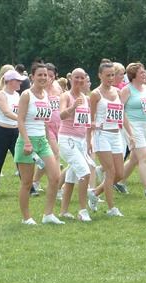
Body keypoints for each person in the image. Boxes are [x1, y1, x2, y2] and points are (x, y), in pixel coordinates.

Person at [15, 63, 64, 225]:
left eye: (46, 75)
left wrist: (49, 140)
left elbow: (44, 122)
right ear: (32, 77)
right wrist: (27, 142)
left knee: (55, 177)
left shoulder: (47, 96)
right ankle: (26, 218)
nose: (44, 78)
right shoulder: (26, 95)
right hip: (26, 141)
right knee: (27, 182)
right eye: (40, 75)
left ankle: (48, 214)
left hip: (43, 141)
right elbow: (20, 120)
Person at [87, 61, 134, 217]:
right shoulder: (95, 94)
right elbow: (90, 118)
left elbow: (122, 115)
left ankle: (94, 193)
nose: (111, 78)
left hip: (116, 135)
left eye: (113, 75)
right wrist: (89, 138)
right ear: (100, 76)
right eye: (107, 75)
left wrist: (130, 134)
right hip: (102, 135)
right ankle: (111, 208)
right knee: (110, 172)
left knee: (120, 174)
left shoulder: (118, 92)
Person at [58, 68, 93, 221]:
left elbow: (85, 121)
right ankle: (82, 210)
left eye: (82, 78)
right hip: (67, 139)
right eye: (76, 78)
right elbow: (61, 114)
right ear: (71, 78)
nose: (79, 81)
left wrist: (90, 135)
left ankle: (64, 211)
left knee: (71, 177)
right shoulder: (66, 96)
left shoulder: (85, 98)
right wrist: (73, 107)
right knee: (85, 173)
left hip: (81, 140)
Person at [118, 62, 146, 198]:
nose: (144, 74)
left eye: (144, 72)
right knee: (144, 156)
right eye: (141, 72)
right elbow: (120, 110)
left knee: (135, 158)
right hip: (133, 125)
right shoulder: (127, 90)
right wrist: (128, 131)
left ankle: (118, 181)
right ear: (133, 76)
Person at [0, 69, 26, 196]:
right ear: (10, 81)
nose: (20, 83)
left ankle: (29, 187)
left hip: (15, 131)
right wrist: (21, 120)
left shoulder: (17, 95)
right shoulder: (1, 95)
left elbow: (20, 112)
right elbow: (7, 112)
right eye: (18, 80)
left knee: (21, 160)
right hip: (1, 131)